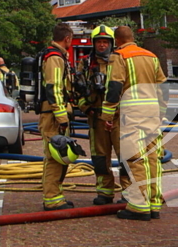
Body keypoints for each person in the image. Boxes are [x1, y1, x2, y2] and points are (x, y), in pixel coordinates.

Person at [102, 26, 167, 221]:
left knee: (135, 159)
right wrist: (162, 111)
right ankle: (154, 204)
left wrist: (107, 116)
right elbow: (163, 87)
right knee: (152, 159)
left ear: (117, 40)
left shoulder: (119, 56)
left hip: (132, 114)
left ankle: (138, 206)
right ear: (133, 38)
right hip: (152, 113)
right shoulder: (151, 56)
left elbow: (114, 87)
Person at [80, 25, 126, 205]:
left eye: (105, 41)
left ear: (112, 43)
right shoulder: (85, 64)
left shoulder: (120, 61)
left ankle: (128, 192)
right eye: (98, 42)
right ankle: (105, 192)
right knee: (99, 157)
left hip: (119, 117)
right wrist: (86, 108)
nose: (101, 45)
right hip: (97, 117)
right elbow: (77, 90)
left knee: (125, 157)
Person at [39, 23, 75, 211]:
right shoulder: (54, 57)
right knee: (54, 156)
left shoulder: (57, 55)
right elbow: (53, 89)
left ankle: (56, 195)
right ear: (67, 38)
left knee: (60, 157)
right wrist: (61, 117)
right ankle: (52, 198)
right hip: (53, 116)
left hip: (55, 114)